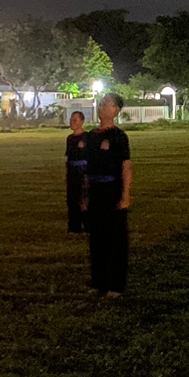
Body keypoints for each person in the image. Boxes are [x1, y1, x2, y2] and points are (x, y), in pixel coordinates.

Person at [86, 92, 132, 298]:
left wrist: (125, 195)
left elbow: (126, 167)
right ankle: (99, 281)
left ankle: (115, 284)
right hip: (94, 191)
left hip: (112, 190)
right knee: (96, 238)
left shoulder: (119, 137)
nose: (101, 107)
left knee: (115, 239)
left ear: (115, 111)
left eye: (106, 104)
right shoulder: (90, 136)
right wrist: (84, 195)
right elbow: (86, 168)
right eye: (101, 103)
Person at [64, 110, 90, 233]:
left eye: (75, 120)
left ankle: (86, 225)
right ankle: (74, 227)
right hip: (72, 171)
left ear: (82, 122)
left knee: (84, 199)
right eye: (71, 119)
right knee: (72, 198)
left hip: (83, 171)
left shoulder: (87, 138)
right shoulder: (70, 138)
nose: (72, 122)